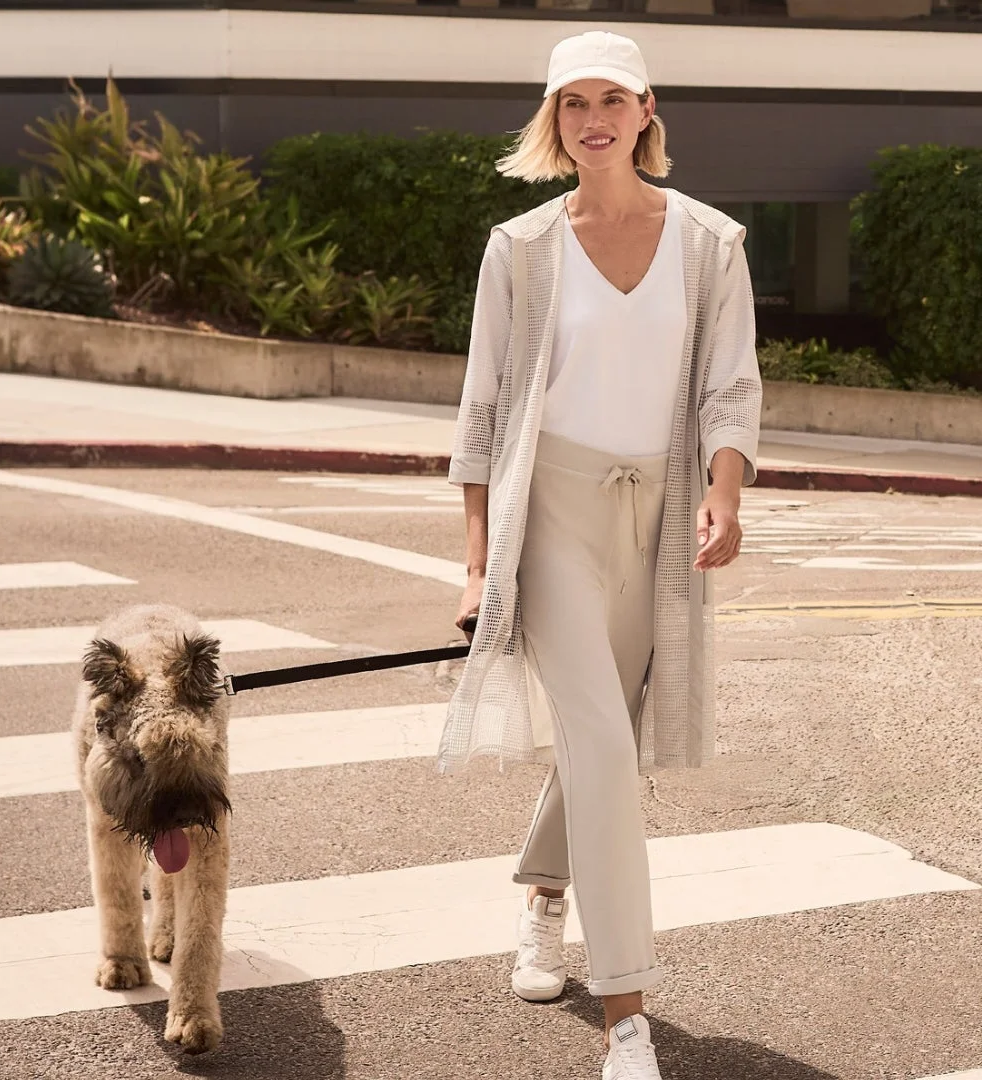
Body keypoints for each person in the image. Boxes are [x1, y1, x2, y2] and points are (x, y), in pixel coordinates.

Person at [438, 30, 763, 1080]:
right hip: (555, 520)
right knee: (606, 755)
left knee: (604, 742)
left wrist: (723, 495)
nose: (592, 120)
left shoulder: (711, 242)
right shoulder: (519, 248)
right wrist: (480, 561)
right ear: (554, 120)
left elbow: (730, 385)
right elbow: (483, 412)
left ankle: (541, 895)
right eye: (572, 103)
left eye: (609, 100)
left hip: (662, 527)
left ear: (645, 109)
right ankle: (629, 1014)